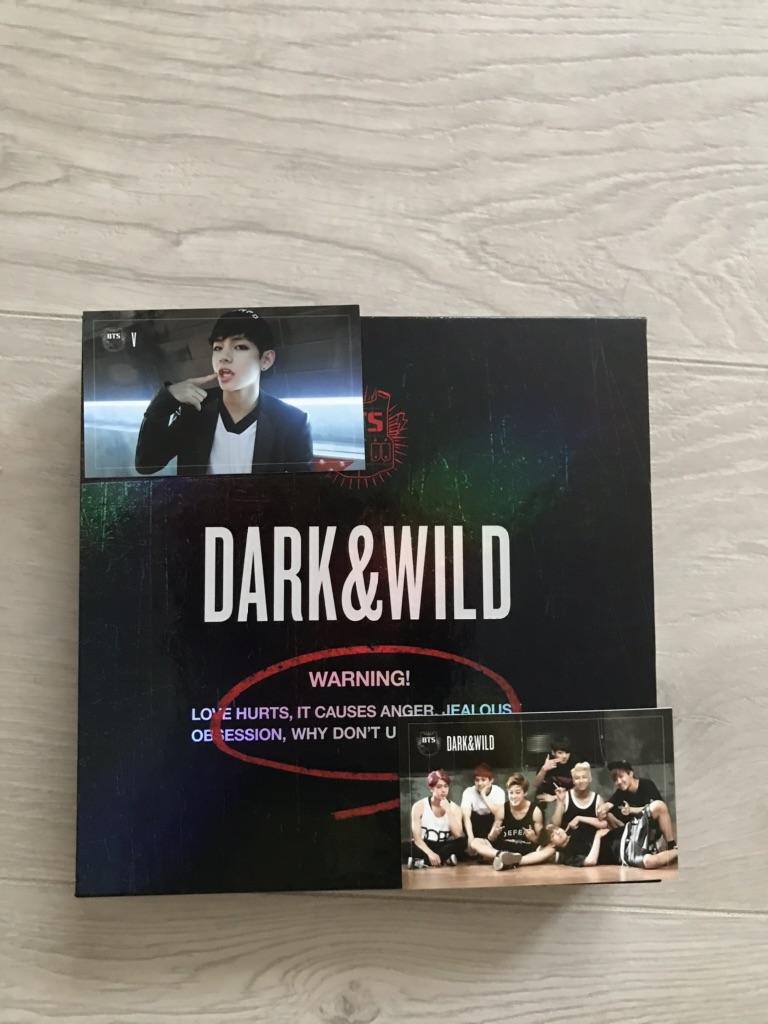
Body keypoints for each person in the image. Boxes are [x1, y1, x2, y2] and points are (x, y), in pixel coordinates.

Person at [135, 309, 313, 476]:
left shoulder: (292, 422)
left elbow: (302, 490)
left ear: (266, 359)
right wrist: (166, 399)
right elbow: (146, 463)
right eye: (218, 348)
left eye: (240, 347)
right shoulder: (195, 409)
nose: (224, 357)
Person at [469, 773, 547, 871]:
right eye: (511, 793)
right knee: (475, 842)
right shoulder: (502, 809)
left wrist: (534, 838)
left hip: (526, 851)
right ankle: (502, 856)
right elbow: (491, 838)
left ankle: (511, 861)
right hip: (504, 850)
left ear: (525, 793)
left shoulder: (535, 811)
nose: (513, 796)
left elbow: (542, 841)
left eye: (517, 793)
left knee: (548, 849)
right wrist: (493, 834)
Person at [408, 769, 467, 868]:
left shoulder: (455, 808)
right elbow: (417, 839)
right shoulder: (419, 806)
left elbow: (458, 834)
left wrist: (448, 811)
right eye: (439, 787)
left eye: (446, 786)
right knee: (407, 846)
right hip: (425, 844)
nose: (443, 790)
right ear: (431, 788)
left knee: (462, 842)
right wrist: (430, 853)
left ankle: (421, 862)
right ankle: (444, 860)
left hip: (443, 845)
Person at [460, 763, 504, 850]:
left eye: (483, 780)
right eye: (477, 780)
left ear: (491, 781)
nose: (479, 783)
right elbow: (466, 817)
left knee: (501, 817)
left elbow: (499, 816)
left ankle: (490, 845)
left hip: (491, 824)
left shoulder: (498, 791)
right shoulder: (468, 792)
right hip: (475, 824)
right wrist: (470, 838)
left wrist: (483, 795)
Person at [534, 735, 576, 805]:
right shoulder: (547, 760)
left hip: (567, 797)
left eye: (567, 752)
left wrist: (554, 797)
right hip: (545, 796)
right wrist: (543, 769)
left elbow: (578, 788)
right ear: (553, 752)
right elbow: (536, 784)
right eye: (560, 753)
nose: (564, 756)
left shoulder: (574, 762)